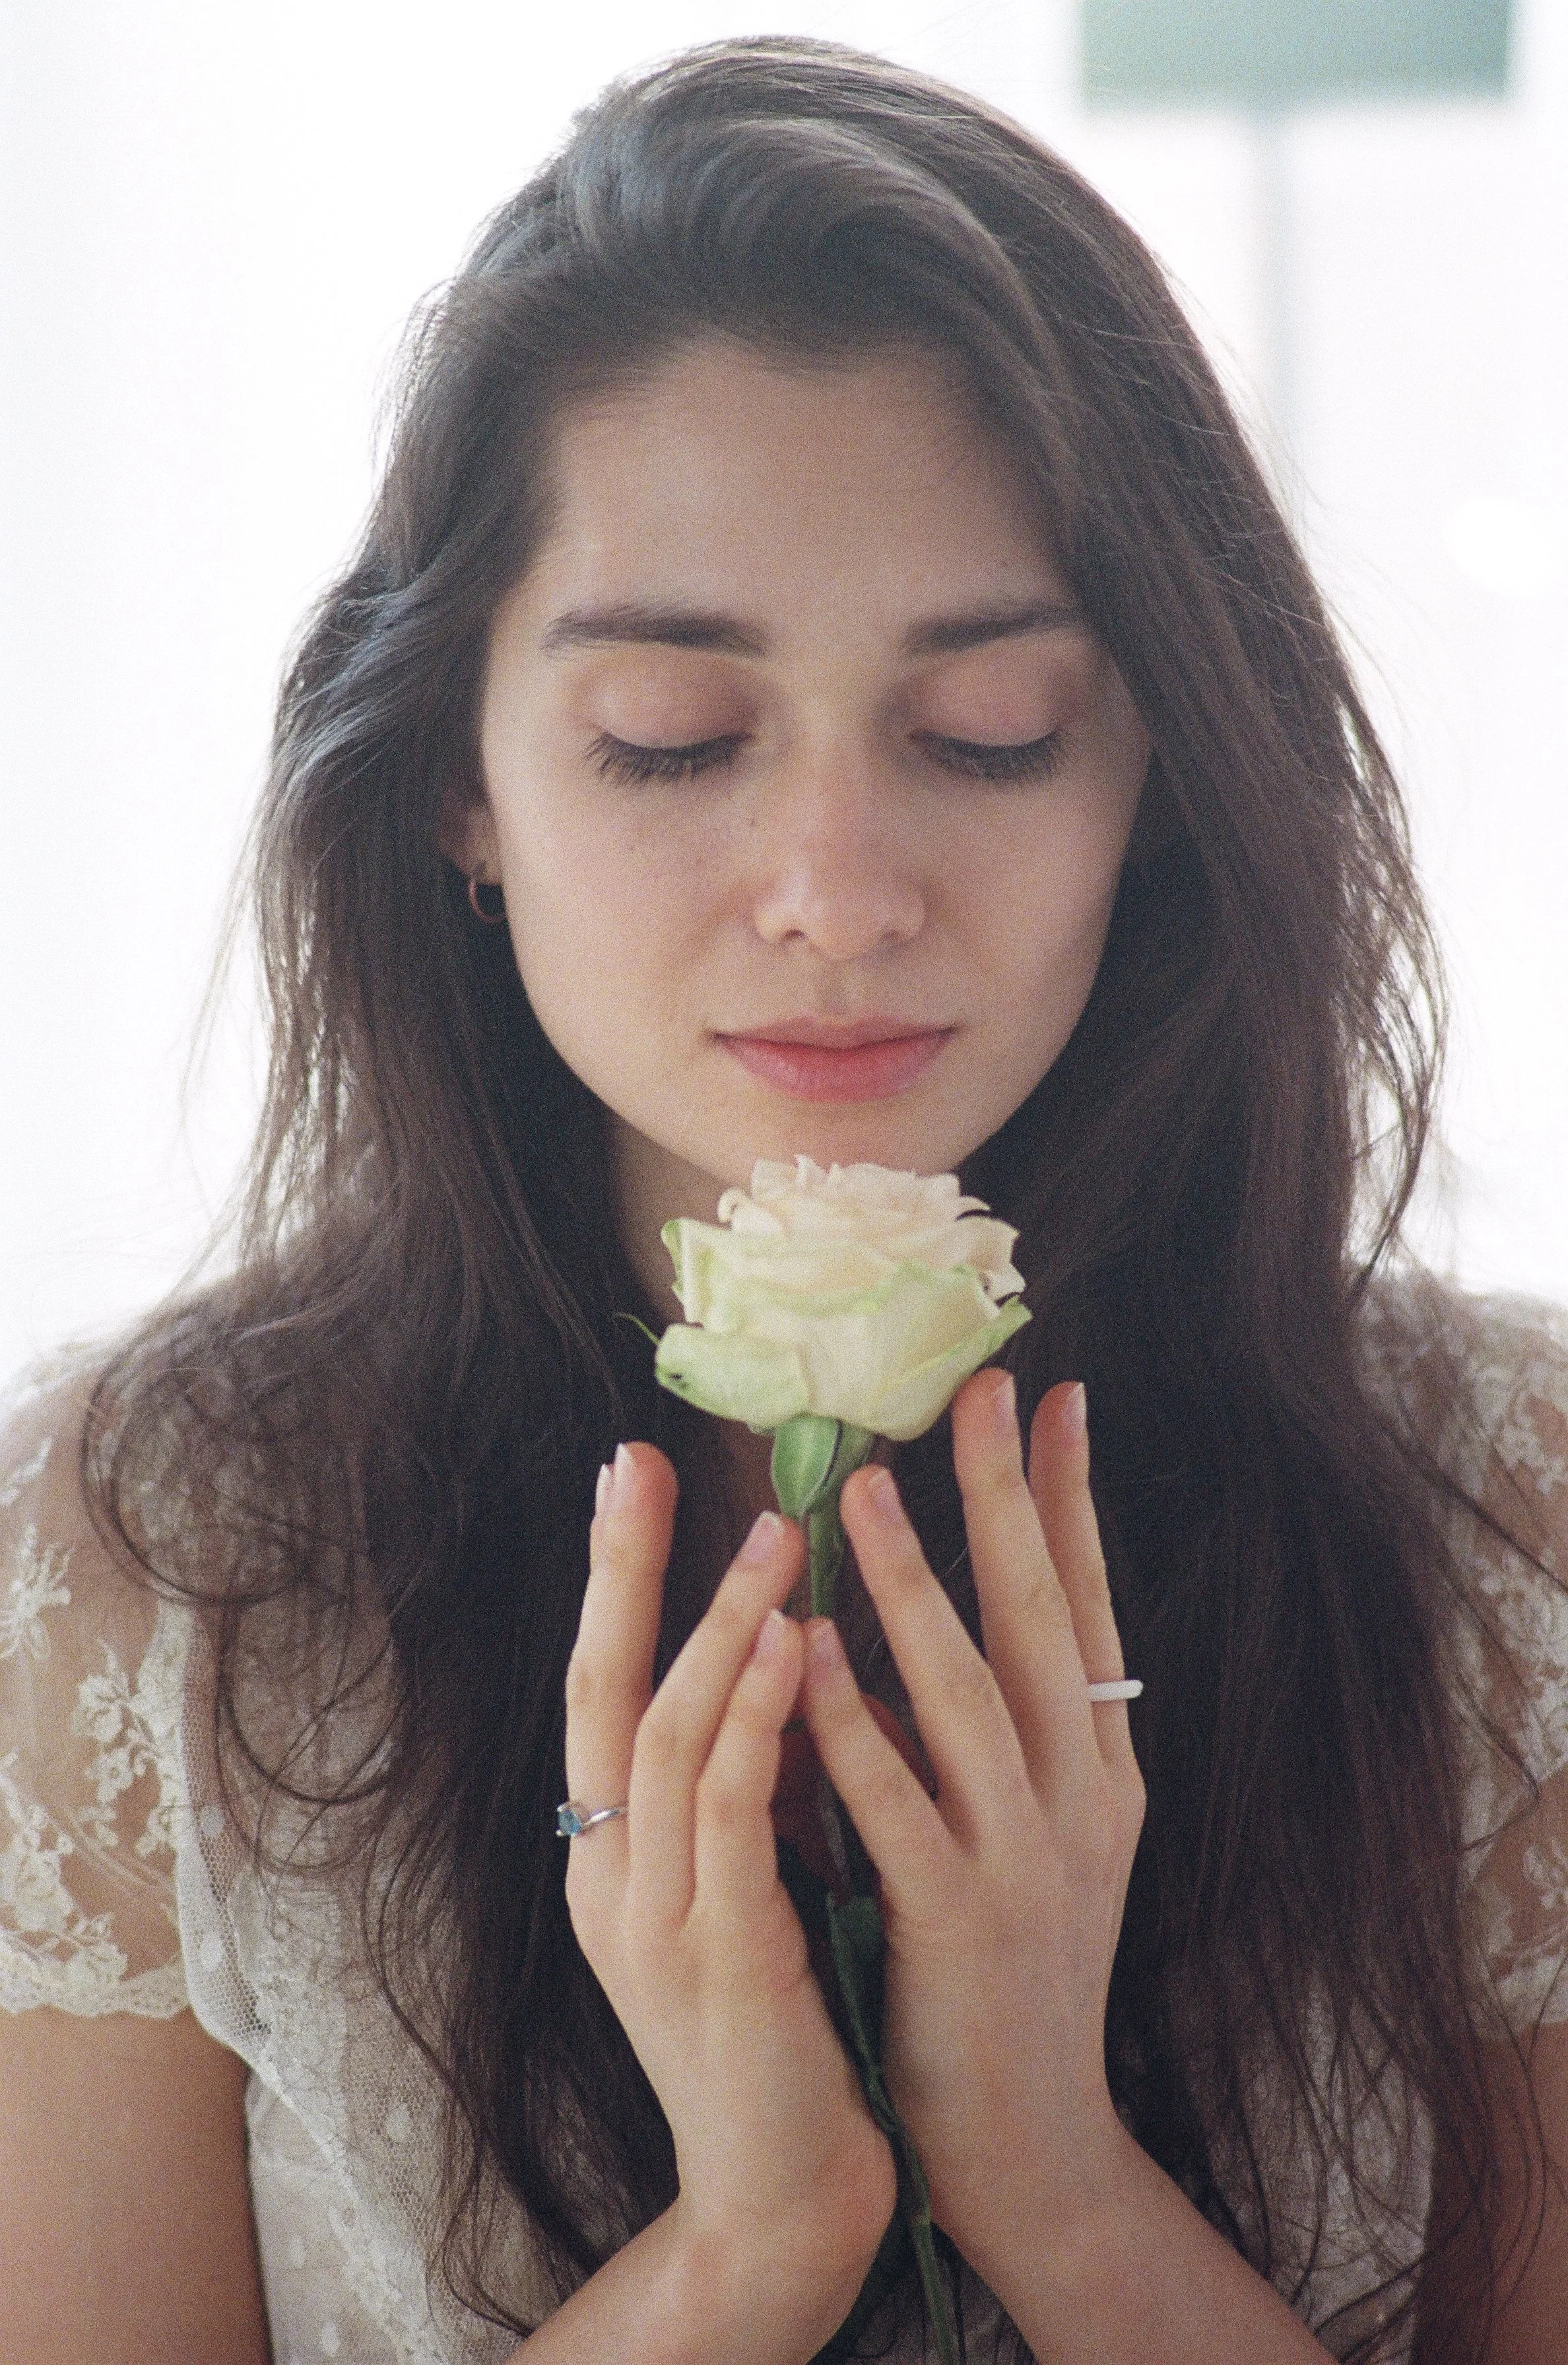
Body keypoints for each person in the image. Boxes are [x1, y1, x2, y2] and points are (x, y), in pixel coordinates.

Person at [1, 34, 1565, 2365]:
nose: (837, 888)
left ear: (1161, 770)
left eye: (991, 731)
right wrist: (745, 2246)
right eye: (673, 738)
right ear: (457, 785)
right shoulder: (138, 1575)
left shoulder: (1510, 1528)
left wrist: (1055, 2176)